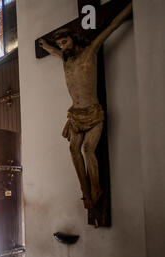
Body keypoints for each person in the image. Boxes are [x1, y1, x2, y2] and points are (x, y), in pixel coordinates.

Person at [38, 2, 132, 209]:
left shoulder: (90, 52)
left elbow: (113, 26)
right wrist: (45, 46)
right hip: (76, 114)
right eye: (60, 44)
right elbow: (53, 51)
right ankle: (85, 191)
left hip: (93, 111)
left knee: (89, 149)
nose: (63, 46)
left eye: (65, 42)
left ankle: (96, 188)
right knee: (73, 150)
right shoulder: (65, 58)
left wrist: (128, 8)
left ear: (73, 39)